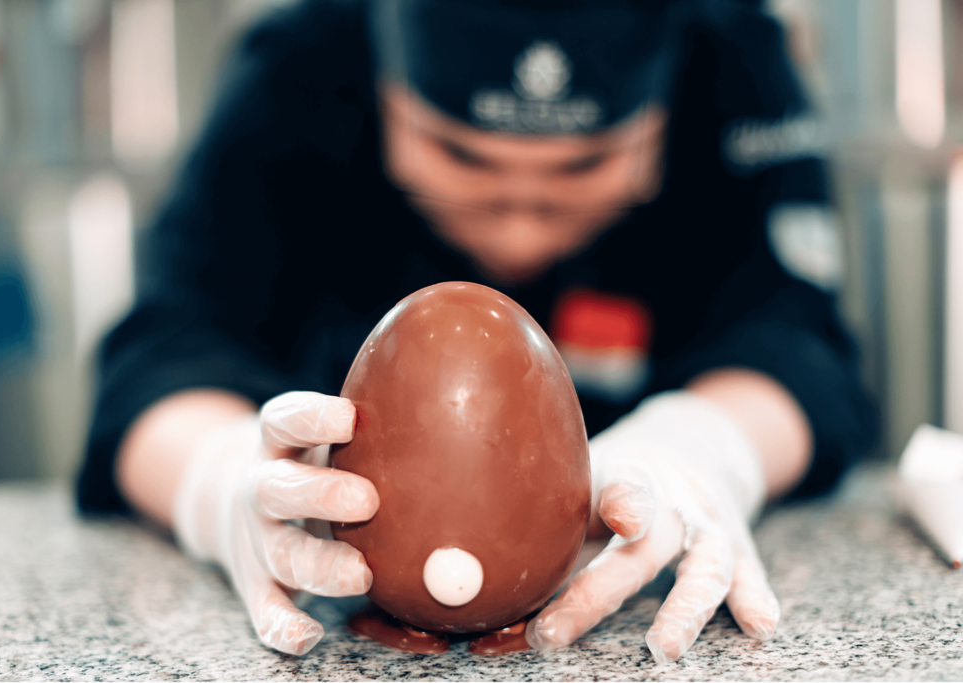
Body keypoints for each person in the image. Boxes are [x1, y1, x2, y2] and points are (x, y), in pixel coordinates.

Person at [77, 0, 877, 664]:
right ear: (385, 93)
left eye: (580, 171)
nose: (522, 231)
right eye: (462, 160)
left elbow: (796, 335)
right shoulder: (299, 62)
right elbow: (166, 346)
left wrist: (705, 449)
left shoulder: (735, 58)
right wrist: (220, 480)